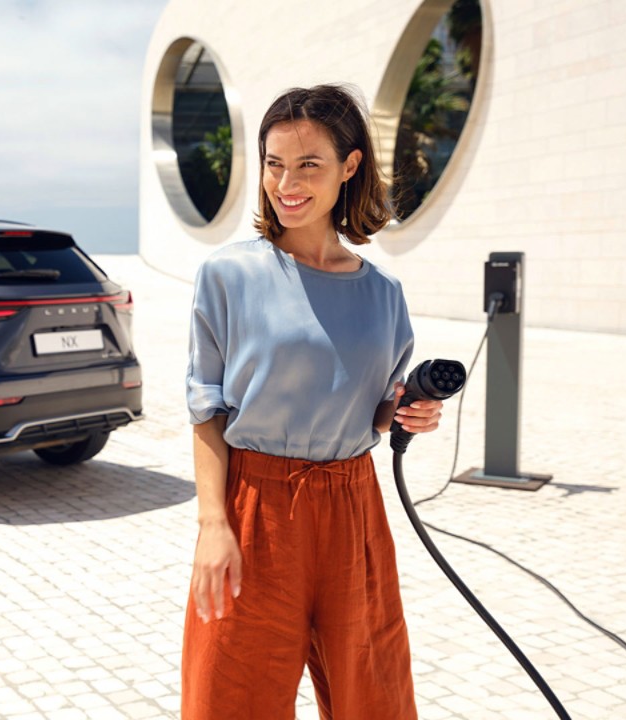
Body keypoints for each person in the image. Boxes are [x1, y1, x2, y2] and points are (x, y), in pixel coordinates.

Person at [182, 84, 444, 720]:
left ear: (349, 167)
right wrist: (213, 525)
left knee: (371, 695)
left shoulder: (383, 293)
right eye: (274, 164)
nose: (286, 183)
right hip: (255, 508)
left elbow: (376, 408)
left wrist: (411, 411)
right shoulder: (230, 275)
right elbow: (206, 409)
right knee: (231, 696)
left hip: (353, 509)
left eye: (308, 165)